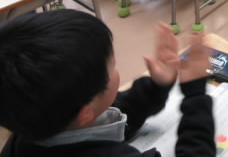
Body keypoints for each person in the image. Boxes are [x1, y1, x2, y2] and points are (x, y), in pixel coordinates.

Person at [0, 10, 214, 157]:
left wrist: (157, 86)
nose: (116, 69)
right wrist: (195, 93)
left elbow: (113, 112)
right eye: (112, 66)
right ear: (85, 113)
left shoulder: (29, 124)